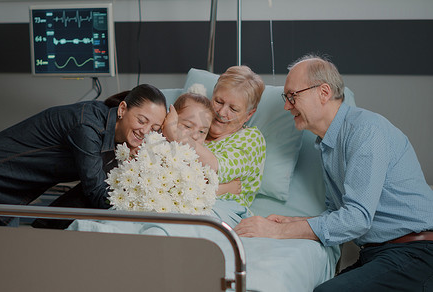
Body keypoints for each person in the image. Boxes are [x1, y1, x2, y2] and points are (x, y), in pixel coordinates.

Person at [0, 84, 167, 291]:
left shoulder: (118, 140)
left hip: (11, 199)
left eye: (154, 129)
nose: (145, 132)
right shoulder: (87, 126)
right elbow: (95, 192)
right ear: (123, 109)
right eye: (141, 120)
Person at [234, 54, 433, 291]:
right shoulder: (328, 144)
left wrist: (279, 231)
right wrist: (294, 220)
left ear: (324, 92)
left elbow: (357, 219)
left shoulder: (365, 132)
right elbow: (338, 212)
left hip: (417, 253)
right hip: (382, 253)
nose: (287, 106)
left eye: (292, 96)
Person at [164, 65, 267, 208]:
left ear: (249, 114)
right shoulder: (196, 119)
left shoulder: (251, 139)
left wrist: (174, 133)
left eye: (233, 109)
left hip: (220, 210)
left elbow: (214, 168)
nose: (222, 112)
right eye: (218, 101)